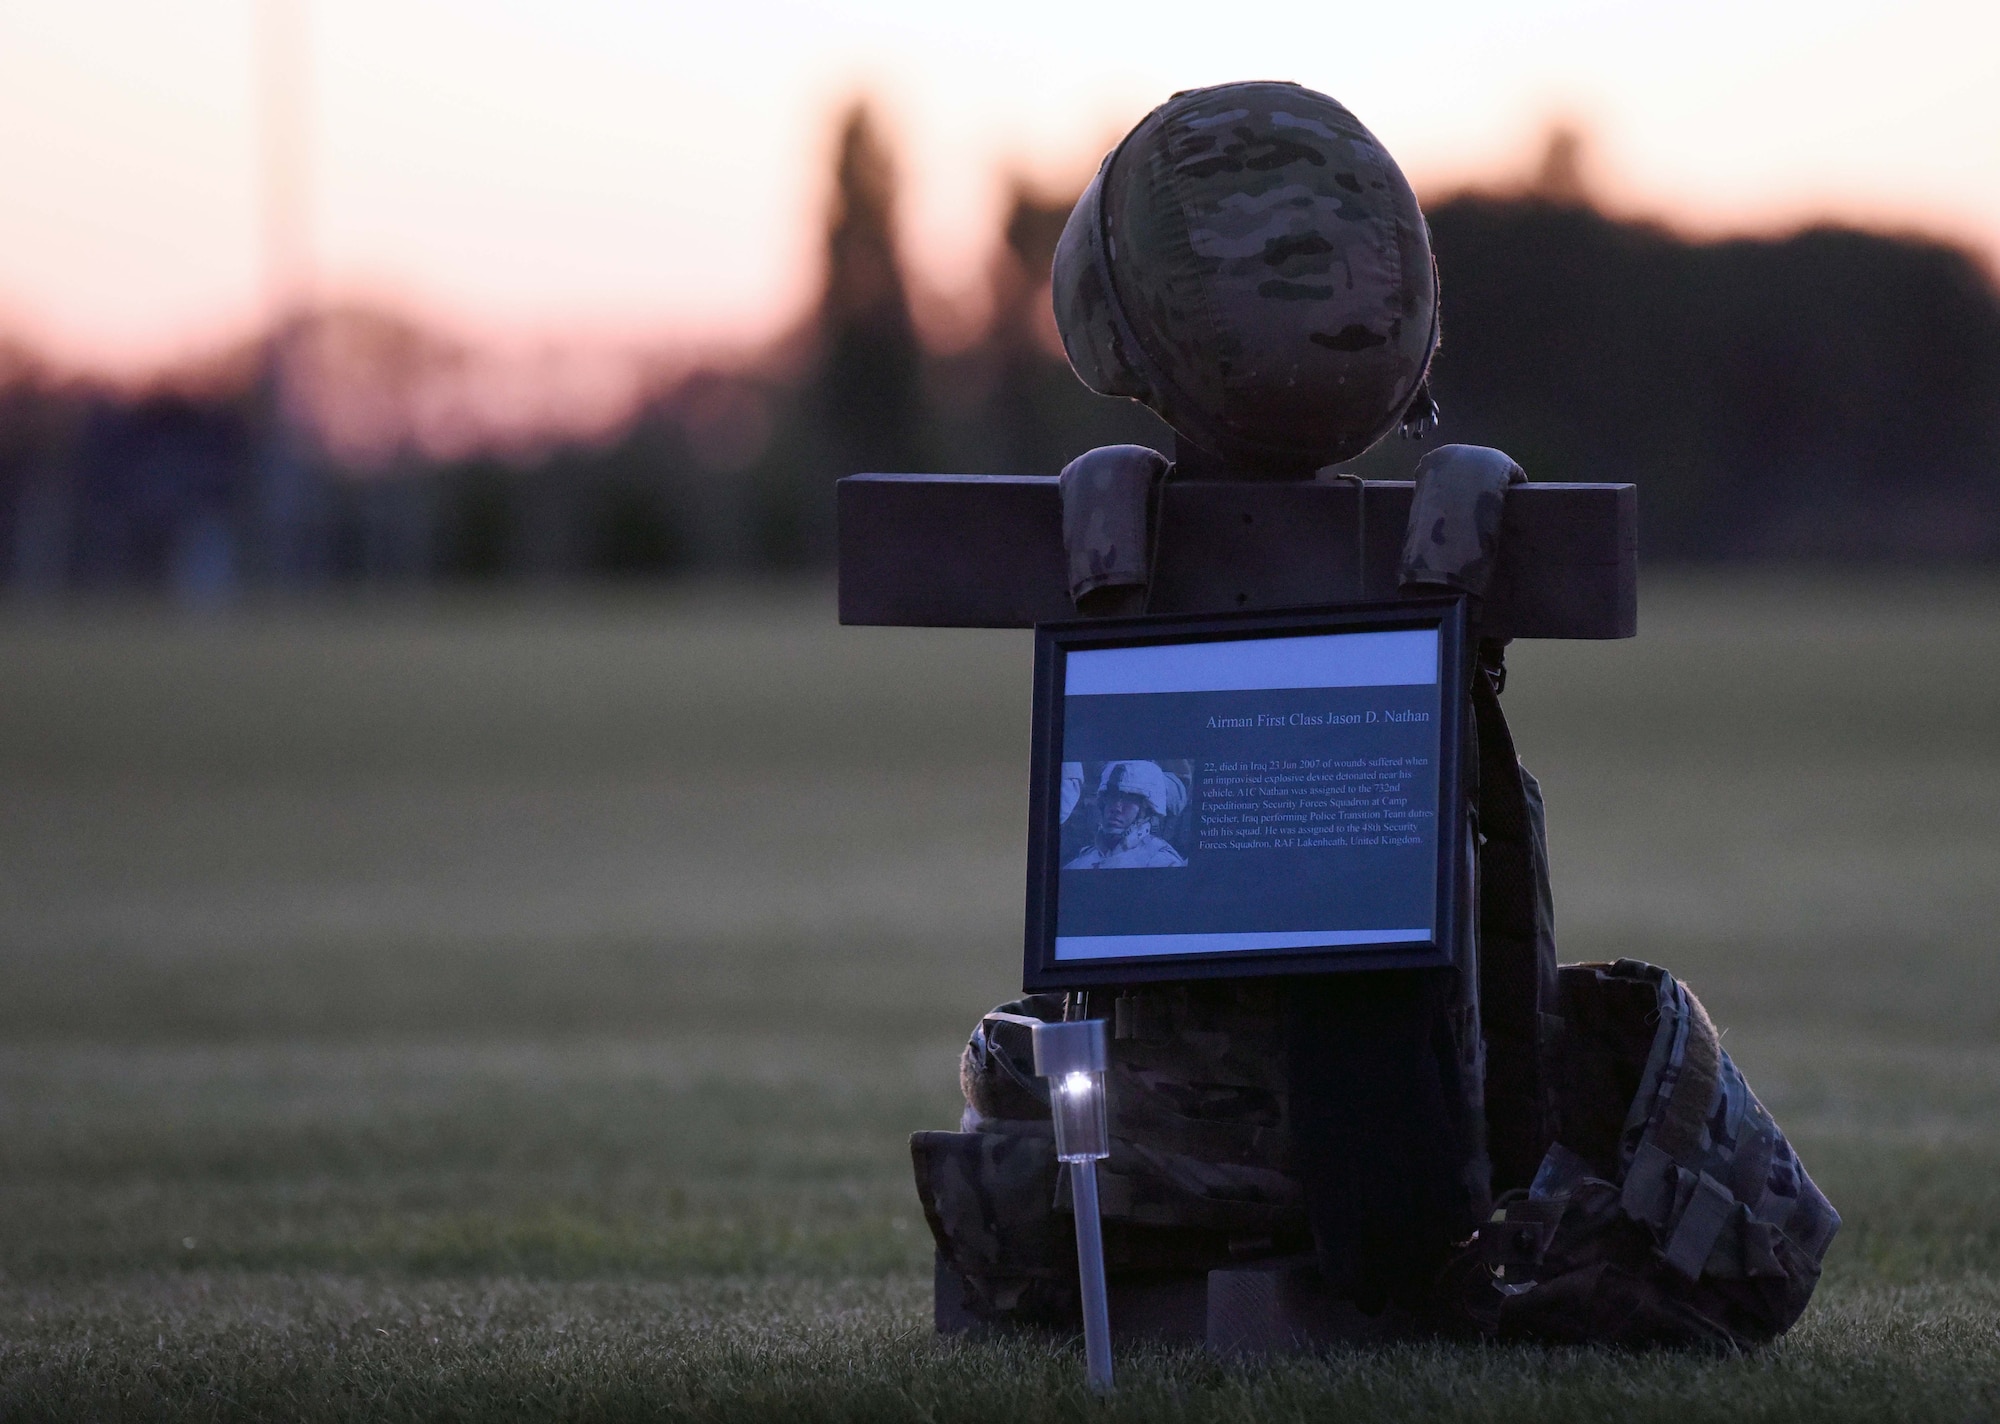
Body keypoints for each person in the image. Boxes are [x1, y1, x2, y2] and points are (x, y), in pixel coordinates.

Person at [1065, 761, 1187, 869]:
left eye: (1129, 799)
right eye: (1112, 796)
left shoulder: (1162, 862)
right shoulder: (1080, 862)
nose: (1116, 808)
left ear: (1146, 809)